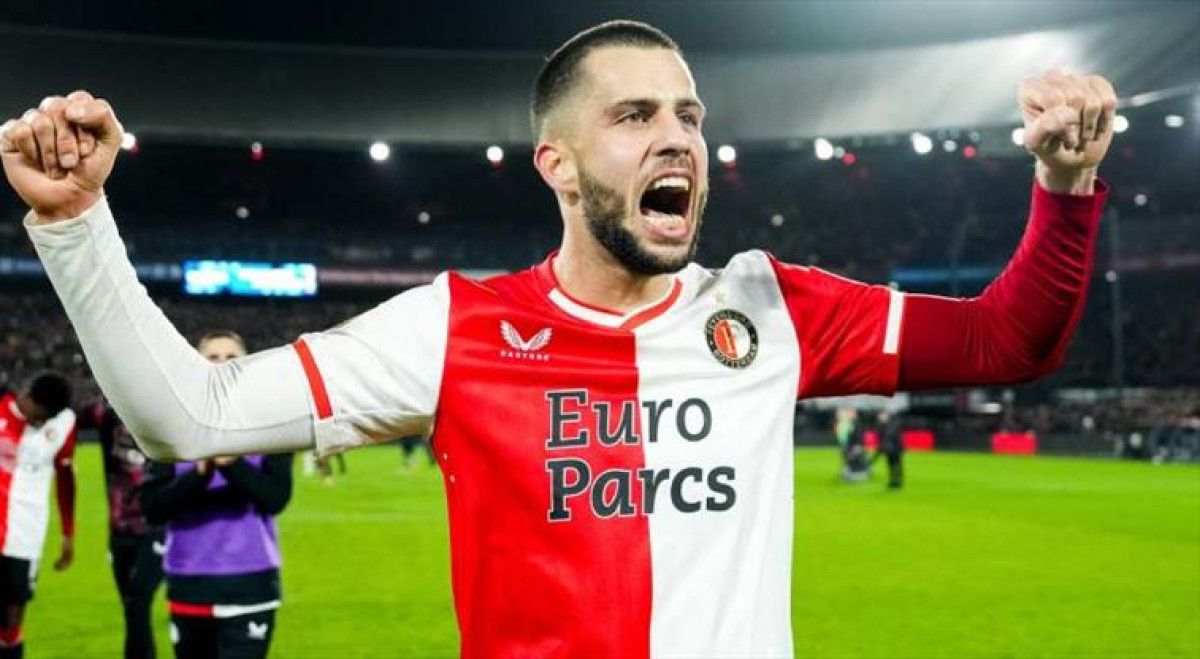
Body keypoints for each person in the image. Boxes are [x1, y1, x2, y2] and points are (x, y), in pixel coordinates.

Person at [3, 19, 1116, 658]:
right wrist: (77, 221)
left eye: (689, 115)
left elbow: (1008, 340)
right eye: (635, 116)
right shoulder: (454, 327)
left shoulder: (772, 306)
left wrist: (1065, 185)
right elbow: (188, 415)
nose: (678, 138)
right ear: (559, 165)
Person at [139, 332, 293, 659]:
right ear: (196, 365)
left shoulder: (273, 425)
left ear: (247, 365)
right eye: (212, 357)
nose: (222, 364)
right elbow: (152, 508)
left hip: (250, 582)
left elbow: (276, 498)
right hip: (189, 581)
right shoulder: (170, 428)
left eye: (232, 357)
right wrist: (199, 473)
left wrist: (232, 464)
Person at [80, 398, 165, 659]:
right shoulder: (108, 416)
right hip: (119, 529)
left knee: (138, 600)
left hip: (156, 529)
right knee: (132, 606)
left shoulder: (162, 418)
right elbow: (81, 414)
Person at [0, 372, 76, 659]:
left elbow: (65, 479)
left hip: (24, 535)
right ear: (27, 396)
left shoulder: (64, 422)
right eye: (39, 414)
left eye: (49, 417)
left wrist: (68, 533)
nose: (43, 422)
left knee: (12, 616)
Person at [871, 410, 905, 489]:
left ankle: (897, 481)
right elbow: (881, 436)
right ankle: (892, 480)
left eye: (882, 415)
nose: (880, 417)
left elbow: (890, 434)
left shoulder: (895, 422)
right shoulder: (883, 424)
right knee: (890, 465)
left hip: (895, 448)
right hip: (888, 448)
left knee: (896, 464)